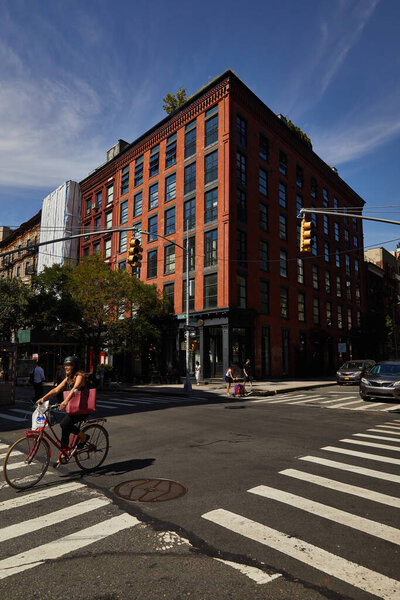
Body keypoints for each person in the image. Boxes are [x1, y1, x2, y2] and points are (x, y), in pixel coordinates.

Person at [37, 356, 90, 467]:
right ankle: (63, 454)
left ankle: (83, 436)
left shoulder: (80, 376)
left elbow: (75, 388)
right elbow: (56, 389)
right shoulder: (68, 378)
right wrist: (43, 398)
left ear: (74, 366)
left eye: (69, 365)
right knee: (64, 428)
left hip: (83, 409)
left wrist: (65, 401)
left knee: (64, 424)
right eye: (65, 365)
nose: (66, 367)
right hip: (74, 408)